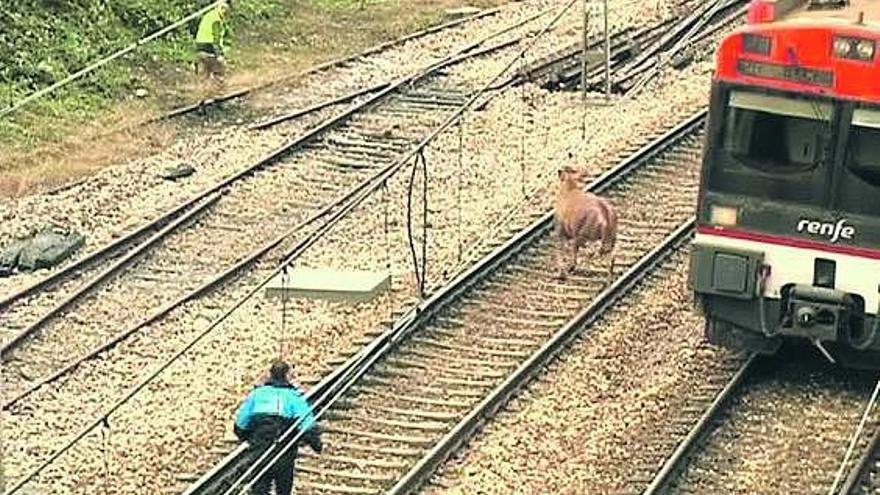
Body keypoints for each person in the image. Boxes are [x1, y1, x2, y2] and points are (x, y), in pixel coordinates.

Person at [234, 360, 323, 495]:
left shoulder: (256, 395)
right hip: (284, 453)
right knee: (283, 488)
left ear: (270, 375)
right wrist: (316, 444)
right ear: (287, 376)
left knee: (259, 488)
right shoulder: (294, 398)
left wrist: (247, 437)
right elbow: (307, 425)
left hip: (260, 452)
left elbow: (240, 424)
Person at [195, 1, 232, 80]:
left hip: (199, 45)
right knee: (220, 70)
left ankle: (203, 86)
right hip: (209, 46)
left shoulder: (209, 14)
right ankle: (218, 85)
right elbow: (216, 38)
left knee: (204, 74)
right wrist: (219, 55)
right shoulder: (217, 20)